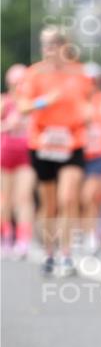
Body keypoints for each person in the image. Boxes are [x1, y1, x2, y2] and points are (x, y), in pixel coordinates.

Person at [16, 26, 90, 276]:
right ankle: (49, 252)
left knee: (68, 198)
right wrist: (44, 101)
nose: (50, 49)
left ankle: (66, 254)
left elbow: (89, 103)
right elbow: (23, 107)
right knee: (50, 205)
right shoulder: (34, 74)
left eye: (56, 43)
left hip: (72, 142)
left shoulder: (79, 74)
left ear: (64, 46)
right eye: (46, 44)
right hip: (43, 144)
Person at [1, 64, 36, 259]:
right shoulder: (4, 102)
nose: (19, 87)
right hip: (6, 154)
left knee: (24, 197)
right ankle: (6, 236)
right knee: (6, 198)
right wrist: (7, 125)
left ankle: (24, 239)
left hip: (26, 154)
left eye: (22, 83)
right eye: (16, 83)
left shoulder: (31, 104)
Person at [81, 62, 101, 254]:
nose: (91, 84)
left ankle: (95, 232)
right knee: (80, 197)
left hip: (100, 153)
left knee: (93, 194)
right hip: (79, 153)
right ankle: (94, 229)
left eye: (94, 81)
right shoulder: (77, 100)